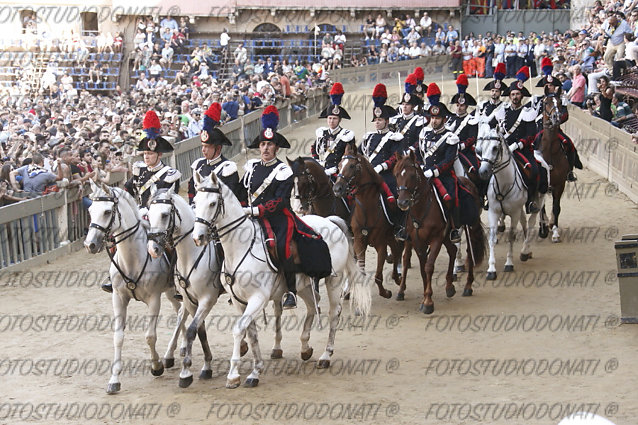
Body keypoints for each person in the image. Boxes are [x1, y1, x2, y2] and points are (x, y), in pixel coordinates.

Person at [238, 106, 331, 310]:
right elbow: (241, 192)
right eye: (262, 144)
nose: (265, 148)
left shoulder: (282, 171)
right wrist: (241, 208)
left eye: (269, 144)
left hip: (278, 218)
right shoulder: (252, 168)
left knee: (283, 246)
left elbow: (280, 201)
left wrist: (256, 210)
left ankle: (290, 291)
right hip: (251, 217)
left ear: (276, 148)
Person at [413, 83, 461, 243]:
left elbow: (448, 161)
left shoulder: (450, 137)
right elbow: (420, 154)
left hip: (443, 176)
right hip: (424, 173)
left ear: (444, 119)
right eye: (432, 118)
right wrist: (420, 166)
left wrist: (434, 171)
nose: (434, 121)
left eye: (437, 118)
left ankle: (454, 228)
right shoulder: (424, 134)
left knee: (451, 198)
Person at [492, 68, 545, 214]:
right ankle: (490, 199)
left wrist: (519, 144)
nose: (515, 97)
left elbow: (531, 134)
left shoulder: (528, 113)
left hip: (522, 151)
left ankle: (530, 201)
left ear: (521, 96)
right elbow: (498, 130)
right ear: (509, 96)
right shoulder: (504, 112)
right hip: (505, 149)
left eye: (517, 94)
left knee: (534, 170)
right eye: (513, 94)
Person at [359, 83, 405, 239]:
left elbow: (395, 156)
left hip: (386, 175)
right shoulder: (368, 137)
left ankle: (399, 226)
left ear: (386, 120)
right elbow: (359, 154)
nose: (377, 122)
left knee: (394, 196)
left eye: (380, 119)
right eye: (375, 119)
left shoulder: (394, 137)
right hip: (369, 176)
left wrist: (382, 166)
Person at [533, 58, 583, 181]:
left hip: (555, 129)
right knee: (532, 145)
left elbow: (565, 115)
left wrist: (558, 120)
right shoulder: (536, 99)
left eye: (551, 85)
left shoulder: (561, 99)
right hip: (540, 129)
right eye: (547, 85)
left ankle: (569, 171)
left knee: (569, 144)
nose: (549, 87)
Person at [124, 110, 181, 209]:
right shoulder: (139, 170)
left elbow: (171, 203)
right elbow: (128, 191)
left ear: (159, 154)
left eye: (150, 154)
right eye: (145, 153)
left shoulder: (170, 175)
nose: (146, 156)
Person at [187, 102, 240, 204]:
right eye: (202, 146)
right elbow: (191, 191)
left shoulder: (227, 168)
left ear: (218, 148)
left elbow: (230, 197)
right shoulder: (198, 165)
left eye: (207, 147)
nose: (203, 150)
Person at [447, 74, 482, 198]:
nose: (459, 107)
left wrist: (460, 146)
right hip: (450, 151)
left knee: (476, 171)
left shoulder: (471, 120)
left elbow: (472, 138)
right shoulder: (450, 119)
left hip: (465, 152)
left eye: (462, 105)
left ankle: (481, 195)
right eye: (457, 105)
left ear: (466, 106)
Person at [312, 82, 354, 178]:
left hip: (338, 173)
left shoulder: (346, 135)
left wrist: (336, 168)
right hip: (321, 170)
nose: (331, 121)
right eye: (329, 118)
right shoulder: (322, 133)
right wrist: (316, 160)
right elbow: (314, 148)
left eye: (334, 119)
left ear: (339, 120)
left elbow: (350, 156)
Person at [389, 73, 425, 153]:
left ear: (412, 106)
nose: (404, 107)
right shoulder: (396, 120)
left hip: (413, 156)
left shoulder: (418, 121)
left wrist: (411, 150)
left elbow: (419, 140)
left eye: (407, 104)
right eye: (403, 104)